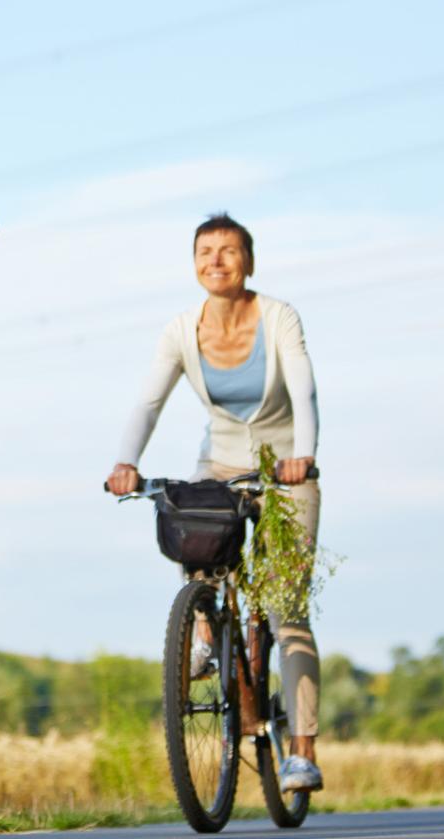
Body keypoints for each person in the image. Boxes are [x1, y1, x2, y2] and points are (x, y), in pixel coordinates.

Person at [105, 213, 323, 793]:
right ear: (194, 263)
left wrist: (303, 455)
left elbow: (302, 387)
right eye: (206, 251)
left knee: (285, 607)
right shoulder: (183, 329)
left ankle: (301, 750)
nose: (217, 260)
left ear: (248, 261)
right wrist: (126, 462)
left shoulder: (278, 317)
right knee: (195, 541)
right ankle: (206, 630)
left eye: (229, 251)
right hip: (221, 464)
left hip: (284, 471)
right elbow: (149, 401)